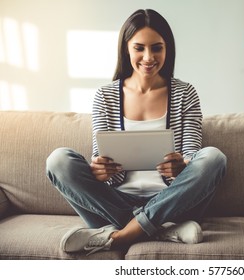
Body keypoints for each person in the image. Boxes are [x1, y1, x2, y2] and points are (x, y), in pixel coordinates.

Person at [46, 9, 227, 255]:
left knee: (214, 157)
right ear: (126, 49)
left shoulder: (186, 94)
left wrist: (182, 167)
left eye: (157, 48)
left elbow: (193, 154)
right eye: (139, 48)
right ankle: (164, 230)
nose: (148, 57)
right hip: (114, 202)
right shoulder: (105, 96)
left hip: (173, 202)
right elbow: (103, 165)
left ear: (167, 49)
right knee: (58, 160)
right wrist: (99, 171)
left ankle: (119, 235)